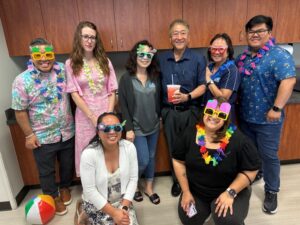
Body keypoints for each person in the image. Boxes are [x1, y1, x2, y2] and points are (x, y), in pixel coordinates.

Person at [236, 15, 296, 214]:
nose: (255, 35)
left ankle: (271, 191)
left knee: (269, 156)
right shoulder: (243, 58)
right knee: (251, 152)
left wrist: (276, 108)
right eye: (251, 31)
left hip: (268, 119)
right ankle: (256, 173)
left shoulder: (278, 55)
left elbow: (288, 81)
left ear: (269, 33)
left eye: (260, 31)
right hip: (245, 117)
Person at [172, 97, 261, 225]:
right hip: (198, 191)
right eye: (210, 111)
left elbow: (251, 170)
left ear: (226, 119)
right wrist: (186, 192)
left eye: (220, 114)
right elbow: (178, 161)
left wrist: (231, 192)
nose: (213, 116)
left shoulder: (239, 141)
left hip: (229, 189)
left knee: (228, 220)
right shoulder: (189, 133)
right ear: (204, 112)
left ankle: (240, 198)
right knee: (189, 218)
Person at [11, 38, 75, 215]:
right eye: (38, 55)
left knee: (67, 164)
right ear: (31, 56)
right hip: (43, 136)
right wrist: (29, 135)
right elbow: (19, 111)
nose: (44, 59)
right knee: (46, 171)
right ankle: (52, 196)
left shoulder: (63, 70)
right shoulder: (21, 80)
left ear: (53, 54)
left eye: (48, 54)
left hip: (67, 130)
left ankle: (65, 188)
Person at [159, 19, 206, 197]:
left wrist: (188, 96)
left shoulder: (198, 58)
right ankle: (177, 180)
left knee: (191, 147)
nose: (179, 37)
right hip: (169, 112)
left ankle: (191, 180)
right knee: (173, 148)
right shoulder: (161, 58)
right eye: (175, 34)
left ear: (188, 36)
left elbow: (203, 85)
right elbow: (155, 85)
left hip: (191, 111)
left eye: (183, 33)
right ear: (170, 38)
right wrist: (159, 114)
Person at [65, 21, 118, 176]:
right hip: (85, 116)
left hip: (106, 112)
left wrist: (107, 116)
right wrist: (93, 117)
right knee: (88, 152)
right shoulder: (71, 64)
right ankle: (90, 192)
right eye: (86, 36)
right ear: (79, 38)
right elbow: (74, 93)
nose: (89, 41)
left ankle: (109, 187)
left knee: (108, 149)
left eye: (93, 37)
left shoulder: (105, 61)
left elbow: (112, 89)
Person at [118, 40, 161, 204]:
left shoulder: (155, 76)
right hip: (136, 128)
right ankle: (133, 185)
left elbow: (159, 99)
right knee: (142, 159)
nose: (144, 58)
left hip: (154, 126)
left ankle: (149, 187)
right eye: (141, 54)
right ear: (135, 56)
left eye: (148, 55)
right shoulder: (126, 79)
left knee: (151, 156)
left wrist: (160, 118)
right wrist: (128, 128)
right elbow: (123, 106)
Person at [79, 112, 139, 225]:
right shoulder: (89, 154)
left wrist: (124, 209)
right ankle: (81, 211)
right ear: (98, 131)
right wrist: (114, 213)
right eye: (106, 128)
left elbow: (133, 179)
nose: (112, 132)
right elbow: (90, 190)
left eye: (117, 127)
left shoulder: (129, 147)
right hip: (97, 205)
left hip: (122, 203)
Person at [205, 33, 240, 121]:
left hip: (222, 115)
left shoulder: (231, 70)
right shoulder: (210, 67)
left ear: (228, 51)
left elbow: (223, 98)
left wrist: (208, 79)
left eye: (221, 49)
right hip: (208, 112)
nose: (217, 52)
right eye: (213, 49)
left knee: (220, 134)